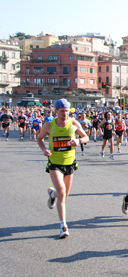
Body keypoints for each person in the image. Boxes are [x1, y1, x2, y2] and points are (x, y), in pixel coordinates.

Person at [37, 99, 89, 238]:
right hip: (55, 163)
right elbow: (39, 138)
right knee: (62, 191)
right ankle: (63, 226)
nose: (65, 113)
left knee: (64, 196)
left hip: (70, 163)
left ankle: (52, 194)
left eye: (67, 110)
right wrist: (44, 150)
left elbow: (86, 137)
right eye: (62, 111)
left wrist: (78, 141)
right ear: (56, 111)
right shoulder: (49, 125)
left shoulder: (73, 124)